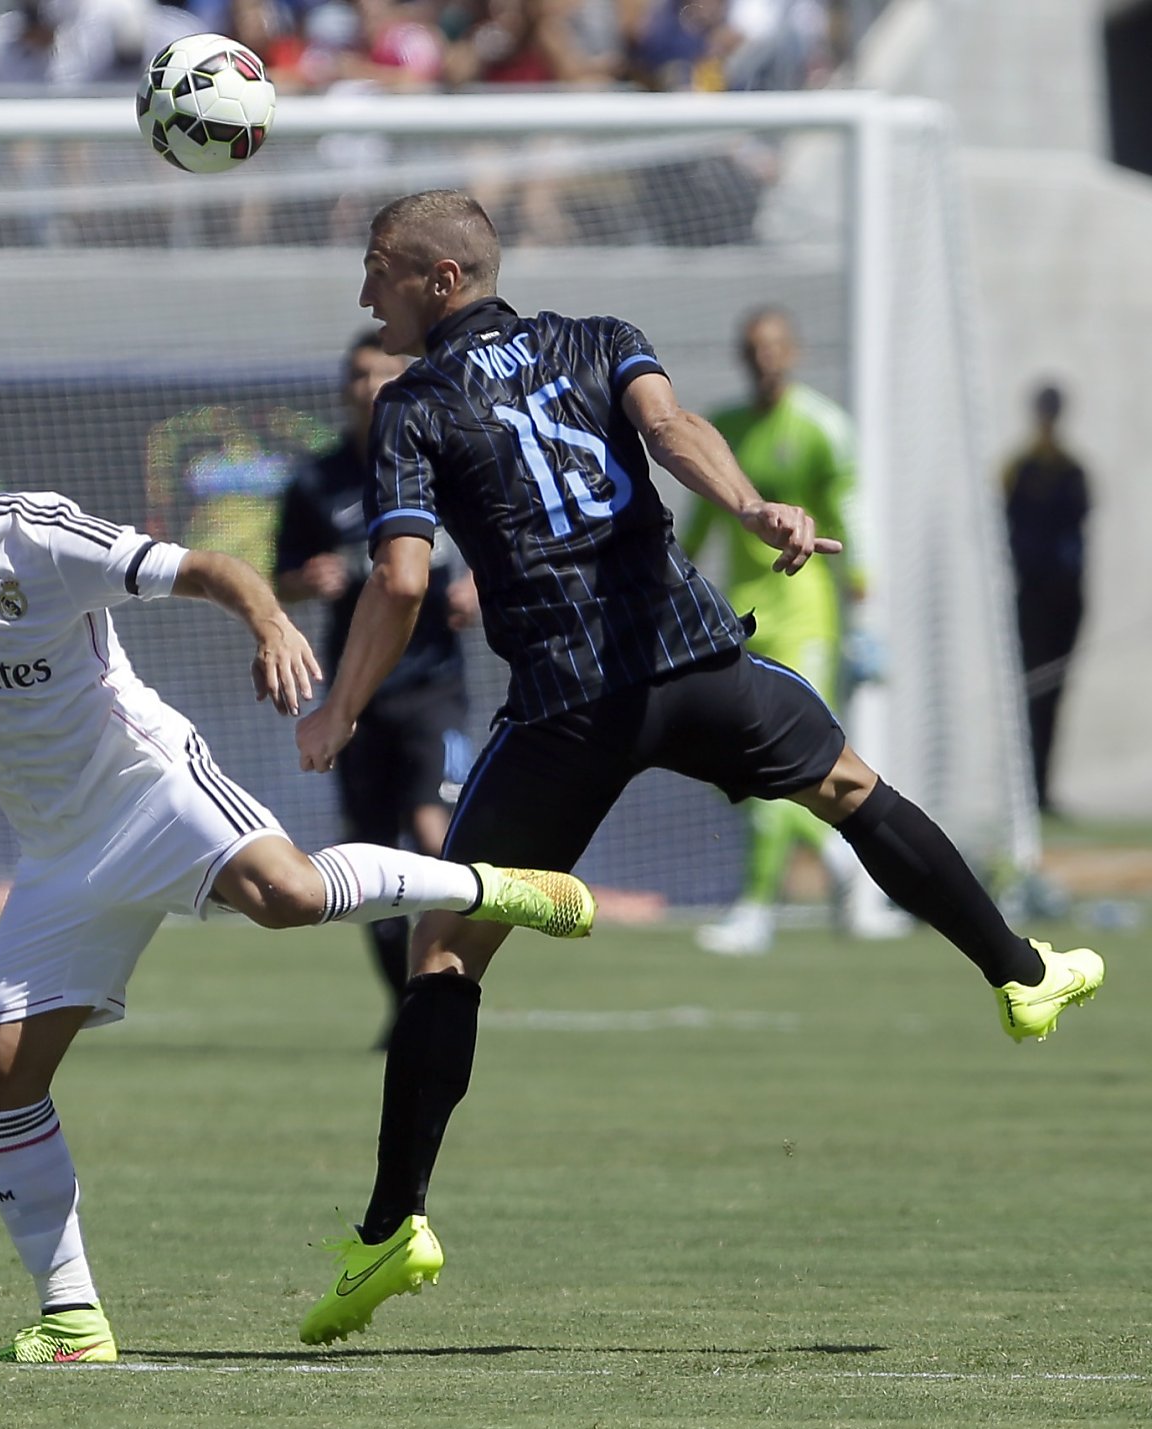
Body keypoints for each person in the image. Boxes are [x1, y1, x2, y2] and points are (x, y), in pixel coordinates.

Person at [291, 190, 1107, 1346]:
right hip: (690, 658)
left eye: (376, 268)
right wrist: (753, 507)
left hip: (570, 703)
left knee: (445, 949)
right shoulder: (600, 337)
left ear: (437, 278)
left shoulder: (414, 404)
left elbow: (405, 579)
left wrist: (339, 706)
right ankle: (1019, 973)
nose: (362, 294)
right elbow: (672, 435)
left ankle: (390, 1229)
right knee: (851, 791)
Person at [0, 356, 595, 1365]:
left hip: (148, 786)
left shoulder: (37, 533)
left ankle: (492, 887)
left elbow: (207, 568)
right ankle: (71, 1315)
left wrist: (268, 622)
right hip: (58, 851)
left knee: (288, 895)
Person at [275, 331, 475, 1033]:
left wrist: (480, 586)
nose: (370, 388)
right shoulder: (314, 482)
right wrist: (304, 582)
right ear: (344, 387)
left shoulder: (446, 466)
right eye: (358, 375)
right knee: (367, 849)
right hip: (356, 696)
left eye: (384, 374)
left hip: (433, 687)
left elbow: (496, 544)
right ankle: (405, 1003)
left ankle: (449, 978)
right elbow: (281, 580)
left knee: (431, 828)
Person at [685, 306, 860, 956]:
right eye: (753, 347)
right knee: (742, 762)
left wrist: (864, 612)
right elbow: (696, 526)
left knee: (784, 755)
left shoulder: (821, 426)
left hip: (806, 614)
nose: (765, 358)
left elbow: (849, 516)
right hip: (742, 614)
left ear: (794, 351)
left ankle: (756, 909)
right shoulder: (724, 431)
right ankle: (846, 857)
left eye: (774, 346)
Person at [1002, 383, 1092, 814]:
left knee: (1054, 690)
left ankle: (1043, 786)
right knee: (1032, 689)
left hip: (1064, 598)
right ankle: (1027, 787)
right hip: (1031, 596)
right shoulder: (1019, 468)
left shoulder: (1072, 470)